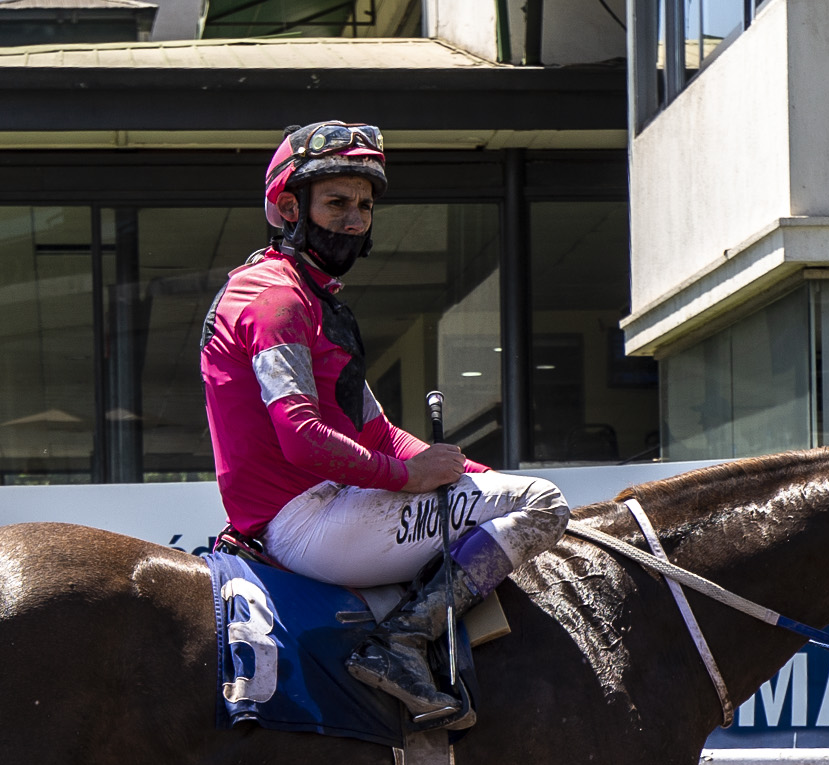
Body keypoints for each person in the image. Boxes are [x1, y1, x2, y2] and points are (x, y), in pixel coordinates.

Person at [197, 120, 570, 730]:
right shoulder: (276, 300)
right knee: (543, 504)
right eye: (336, 203)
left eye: (365, 206)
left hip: (325, 508)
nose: (354, 220)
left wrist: (469, 474)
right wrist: (408, 477)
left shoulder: (307, 299)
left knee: (513, 492)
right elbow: (301, 437)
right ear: (288, 208)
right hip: (306, 523)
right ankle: (402, 643)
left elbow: (379, 434)